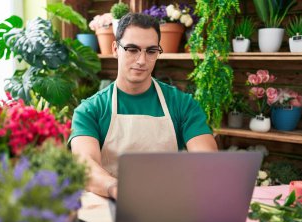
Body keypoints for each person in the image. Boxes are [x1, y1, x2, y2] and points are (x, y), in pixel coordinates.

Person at [68, 13, 218, 200]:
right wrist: (120, 190)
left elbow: (207, 162)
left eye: (151, 51)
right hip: (111, 206)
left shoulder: (183, 105)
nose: (141, 60)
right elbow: (86, 167)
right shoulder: (89, 111)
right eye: (132, 49)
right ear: (115, 49)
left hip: (167, 203)